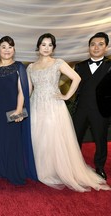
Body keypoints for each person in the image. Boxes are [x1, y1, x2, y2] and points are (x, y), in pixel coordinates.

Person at [27, 33, 110, 192]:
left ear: (54, 48)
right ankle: (41, 169)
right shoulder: (31, 67)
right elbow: (29, 89)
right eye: (43, 44)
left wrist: (66, 96)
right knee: (39, 138)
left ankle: (57, 170)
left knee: (53, 138)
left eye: (50, 45)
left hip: (53, 105)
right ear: (38, 47)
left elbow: (76, 78)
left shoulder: (58, 62)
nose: (46, 48)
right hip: (36, 104)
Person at [0, 36, 38, 185]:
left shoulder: (19, 66)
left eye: (10, 47)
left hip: (12, 109)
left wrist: (18, 110)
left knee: (12, 141)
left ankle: (12, 171)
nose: (7, 50)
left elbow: (22, 90)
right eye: (3, 47)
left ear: (14, 50)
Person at [73, 32, 111, 180]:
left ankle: (99, 167)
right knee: (74, 139)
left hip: (100, 110)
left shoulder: (110, 65)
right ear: (89, 47)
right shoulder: (79, 66)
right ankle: (74, 166)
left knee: (100, 140)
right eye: (93, 44)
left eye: (100, 44)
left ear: (106, 47)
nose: (96, 47)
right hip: (81, 109)